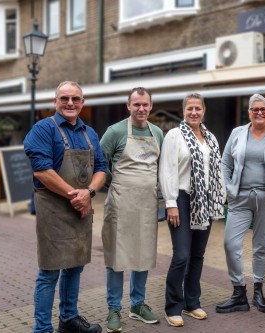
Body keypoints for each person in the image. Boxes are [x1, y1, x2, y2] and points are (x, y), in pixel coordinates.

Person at [24, 81, 107, 333]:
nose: (70, 103)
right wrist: (77, 196)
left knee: (75, 265)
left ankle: (69, 319)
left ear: (82, 102)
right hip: (54, 209)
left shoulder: (90, 133)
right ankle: (43, 328)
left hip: (81, 207)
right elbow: (42, 171)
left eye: (75, 99)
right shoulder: (42, 129)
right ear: (55, 102)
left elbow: (102, 169)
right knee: (49, 271)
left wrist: (90, 192)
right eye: (64, 98)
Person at [216, 93, 265, 314]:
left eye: (264, 109)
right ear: (249, 112)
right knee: (231, 245)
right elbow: (225, 162)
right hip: (239, 198)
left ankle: (258, 291)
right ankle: (239, 292)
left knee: (261, 247)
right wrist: (229, 189)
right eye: (255, 109)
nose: (260, 113)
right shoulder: (237, 133)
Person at [159, 93, 226, 327]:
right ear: (183, 111)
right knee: (181, 256)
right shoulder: (174, 135)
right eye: (190, 109)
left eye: (198, 108)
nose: (194, 112)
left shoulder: (210, 138)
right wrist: (170, 203)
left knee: (198, 255)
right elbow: (166, 170)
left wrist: (219, 199)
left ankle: (192, 303)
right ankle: (172, 307)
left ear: (204, 111)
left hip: (204, 202)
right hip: (181, 200)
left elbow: (216, 172)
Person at [100, 87, 164, 333]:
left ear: (150, 106)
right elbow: (98, 162)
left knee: (143, 256)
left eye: (145, 104)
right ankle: (113, 308)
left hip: (147, 206)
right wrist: (114, 185)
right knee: (116, 258)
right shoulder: (115, 132)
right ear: (128, 106)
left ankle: (137, 305)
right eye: (136, 104)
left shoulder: (157, 133)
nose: (141, 109)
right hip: (120, 204)